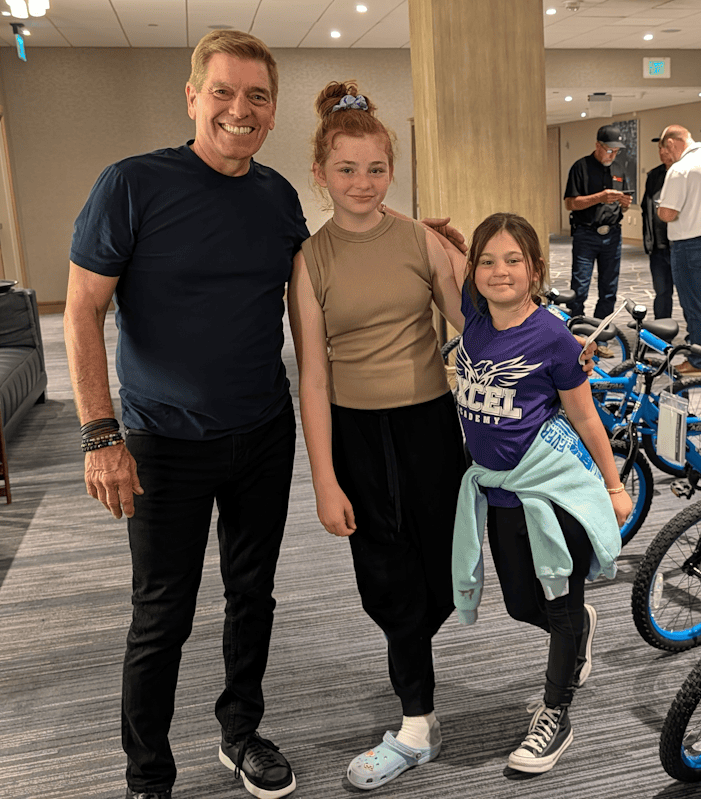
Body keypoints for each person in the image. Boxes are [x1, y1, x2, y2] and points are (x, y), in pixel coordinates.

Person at [63, 33, 465, 801]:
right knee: (162, 613)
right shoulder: (132, 184)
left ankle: (240, 732)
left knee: (252, 595)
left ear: (273, 111)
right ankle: (148, 777)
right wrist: (100, 434)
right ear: (193, 97)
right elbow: (82, 309)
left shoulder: (277, 196)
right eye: (222, 91)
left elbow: (340, 252)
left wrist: (420, 238)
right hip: (162, 440)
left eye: (256, 96)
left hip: (260, 434)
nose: (238, 110)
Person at [287, 81, 468, 791]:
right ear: (320, 174)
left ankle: (563, 623)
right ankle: (417, 721)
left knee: (447, 571)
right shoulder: (311, 260)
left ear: (393, 169)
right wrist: (323, 479)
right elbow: (313, 378)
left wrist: (544, 339)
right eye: (346, 169)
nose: (362, 183)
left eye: (376, 168)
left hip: (431, 425)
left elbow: (475, 328)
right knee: (386, 579)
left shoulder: (421, 239)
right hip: (358, 435)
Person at [448, 213, 630, 774]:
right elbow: (445, 257)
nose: (499, 272)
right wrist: (444, 237)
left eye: (513, 260)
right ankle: (577, 629)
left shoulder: (553, 338)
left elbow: (586, 416)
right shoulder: (474, 315)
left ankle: (556, 714)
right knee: (521, 604)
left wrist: (614, 485)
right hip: (501, 492)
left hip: (550, 494)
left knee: (559, 602)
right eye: (487, 261)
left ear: (535, 269)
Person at [656, 124, 701, 376]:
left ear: (671, 143)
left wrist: (659, 208)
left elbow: (668, 213)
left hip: (690, 245)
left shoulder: (681, 169)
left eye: (666, 150)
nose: (666, 156)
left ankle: (698, 362)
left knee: (694, 305)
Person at [562, 124, 632, 318]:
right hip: (586, 234)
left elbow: (622, 208)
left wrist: (625, 204)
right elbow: (570, 203)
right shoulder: (580, 167)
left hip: (613, 235)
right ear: (597, 145)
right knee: (580, 287)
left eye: (616, 151)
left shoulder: (619, 169)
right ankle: (576, 328)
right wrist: (600, 197)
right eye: (609, 150)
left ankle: (602, 330)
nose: (612, 155)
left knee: (609, 289)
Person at [641, 135, 677, 320]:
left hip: (680, 246)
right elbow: (646, 208)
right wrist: (649, 240)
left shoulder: (685, 174)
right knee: (662, 292)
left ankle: (696, 334)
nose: (662, 152)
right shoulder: (654, 175)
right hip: (658, 246)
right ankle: (662, 330)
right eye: (659, 149)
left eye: (666, 148)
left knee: (689, 296)